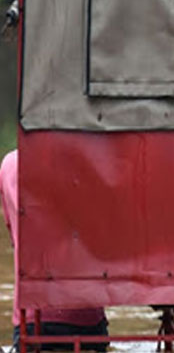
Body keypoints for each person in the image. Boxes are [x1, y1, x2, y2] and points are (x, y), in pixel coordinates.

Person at [1, 150, 110, 352]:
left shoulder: (10, 165)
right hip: (86, 323)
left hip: (32, 322)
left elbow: (15, 240)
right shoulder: (91, 166)